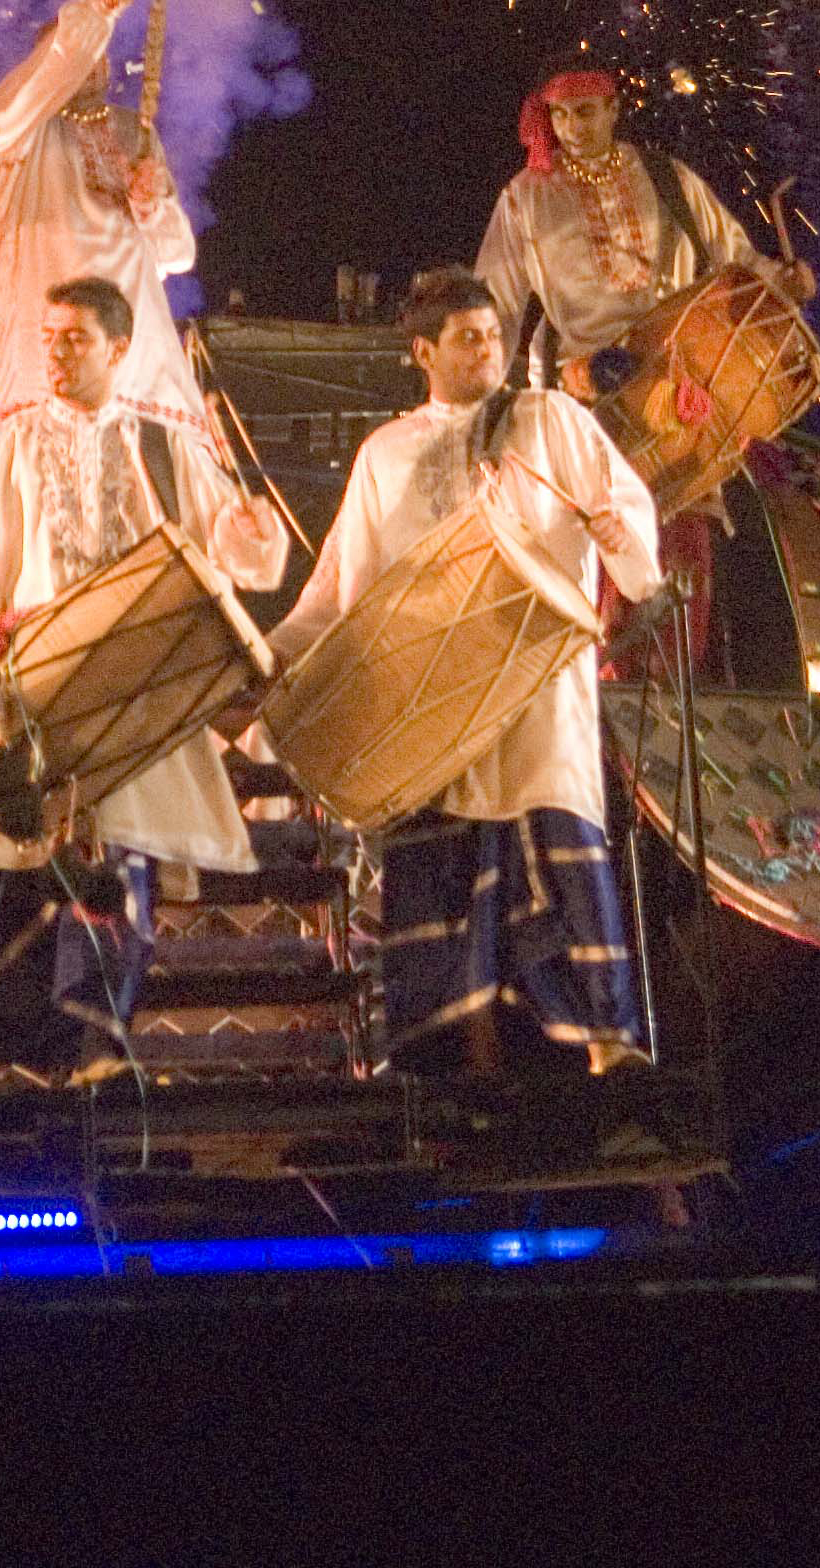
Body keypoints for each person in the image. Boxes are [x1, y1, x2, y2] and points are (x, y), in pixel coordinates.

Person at [0, 276, 290, 1082]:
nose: (56, 353)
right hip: (30, 678)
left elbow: (234, 551)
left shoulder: (167, 444)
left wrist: (250, 531)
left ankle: (99, 1048)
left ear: (120, 349)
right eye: (49, 336)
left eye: (76, 339)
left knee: (113, 860)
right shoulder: (10, 443)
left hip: (130, 686)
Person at [268, 267, 663, 1069]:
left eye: (495, 335)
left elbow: (629, 520)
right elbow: (343, 580)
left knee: (559, 851)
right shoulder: (387, 453)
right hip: (435, 705)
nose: (490, 351)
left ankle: (606, 1045)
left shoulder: (553, 420)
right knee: (442, 878)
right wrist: (271, 660)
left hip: (538, 695)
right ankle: (451, 1068)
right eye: (469, 339)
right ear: (424, 351)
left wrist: (617, 536)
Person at [0, 0, 212, 455]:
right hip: (40, 366)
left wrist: (150, 206)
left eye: (96, 53)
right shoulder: (8, 135)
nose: (90, 63)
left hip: (132, 367)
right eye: (74, 55)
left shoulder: (132, 131)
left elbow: (177, 256)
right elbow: (41, 80)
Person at [473, 57, 810, 399]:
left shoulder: (666, 176)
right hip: (582, 388)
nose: (571, 127)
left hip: (680, 376)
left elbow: (735, 256)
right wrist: (474, 395)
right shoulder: (527, 196)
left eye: (585, 112)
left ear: (612, 109)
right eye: (560, 114)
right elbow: (497, 306)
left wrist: (782, 282)